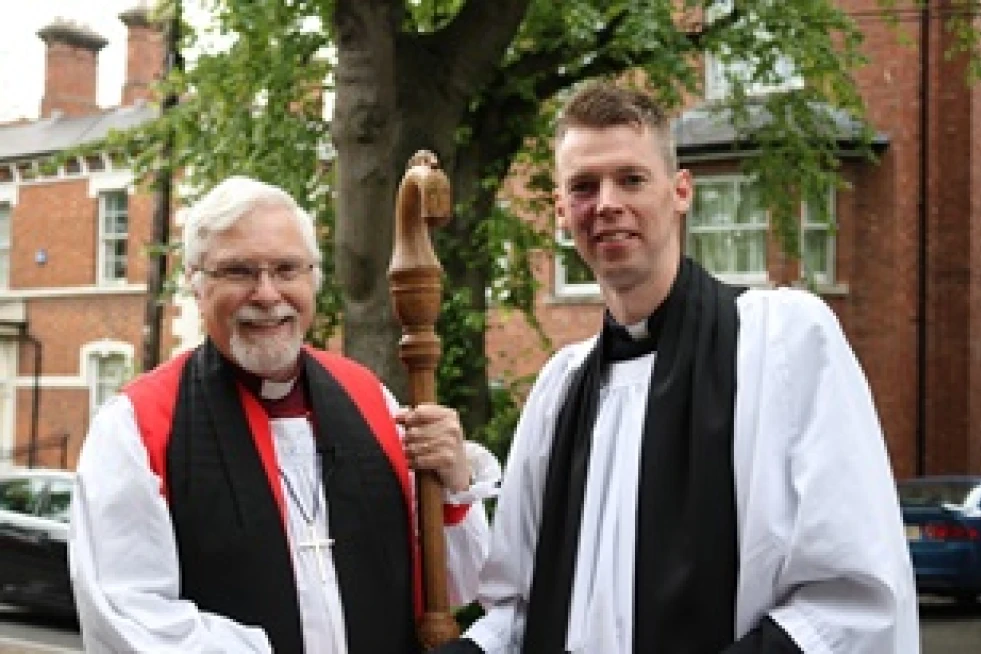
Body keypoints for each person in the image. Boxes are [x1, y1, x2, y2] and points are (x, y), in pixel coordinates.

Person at [434, 82, 919, 653]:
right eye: (584, 187)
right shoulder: (560, 390)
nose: (607, 202)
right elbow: (516, 608)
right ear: (562, 213)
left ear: (680, 191)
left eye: (631, 179)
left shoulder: (783, 342)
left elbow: (852, 602)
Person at [69, 176, 499, 653]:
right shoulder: (137, 426)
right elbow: (128, 616)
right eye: (238, 272)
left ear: (313, 277)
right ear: (196, 284)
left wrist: (454, 489)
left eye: (287, 269)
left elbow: (459, 586)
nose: (268, 294)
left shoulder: (370, 400)